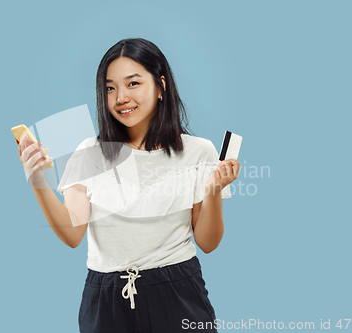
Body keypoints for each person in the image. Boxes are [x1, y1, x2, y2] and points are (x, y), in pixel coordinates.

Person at [15, 38, 240, 333]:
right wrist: (37, 180)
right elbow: (72, 234)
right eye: (110, 88)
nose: (121, 97)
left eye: (133, 83)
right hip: (106, 297)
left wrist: (212, 191)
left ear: (161, 87)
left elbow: (208, 243)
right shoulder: (89, 153)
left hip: (177, 291)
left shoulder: (199, 152)